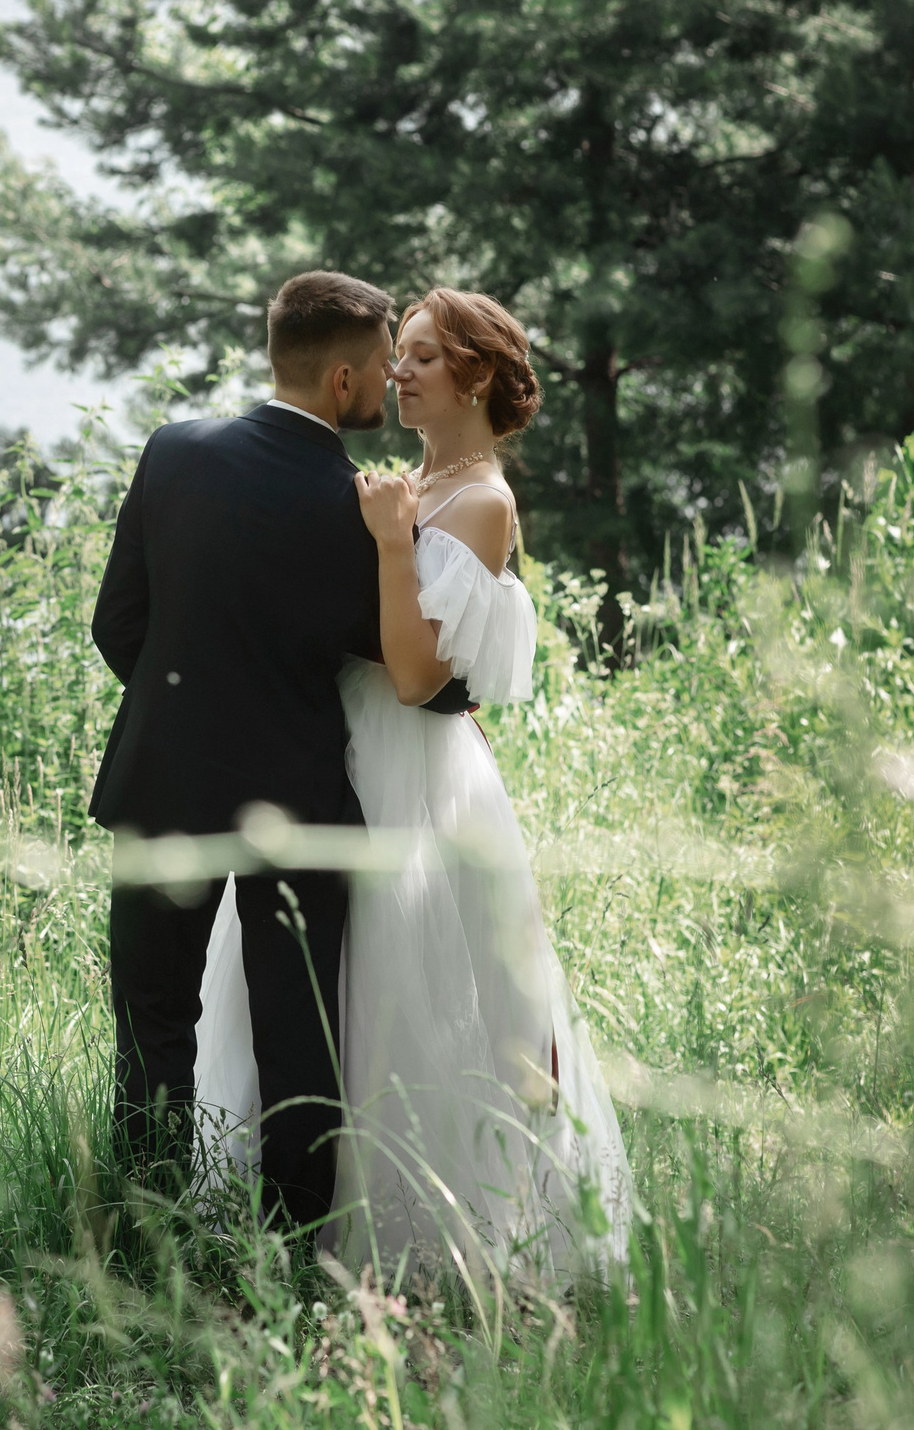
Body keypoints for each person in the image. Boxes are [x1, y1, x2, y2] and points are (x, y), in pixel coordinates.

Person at [192, 287, 632, 1284]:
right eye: (403, 354)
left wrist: (391, 541)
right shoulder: (409, 483)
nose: (400, 370)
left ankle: (426, 1239)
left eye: (424, 356)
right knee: (318, 987)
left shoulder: (481, 502)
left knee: (413, 983)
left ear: (474, 375)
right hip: (335, 754)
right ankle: (284, 1213)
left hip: (414, 774)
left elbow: (418, 676)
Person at [88, 271, 474, 1238]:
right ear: (342, 380)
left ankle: (145, 1229)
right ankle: (294, 1246)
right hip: (293, 805)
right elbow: (405, 668)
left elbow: (115, 625)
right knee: (300, 1035)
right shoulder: (361, 508)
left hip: (162, 780)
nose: (391, 380)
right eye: (384, 364)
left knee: (152, 1023)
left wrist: (193, 710)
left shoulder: (172, 451)